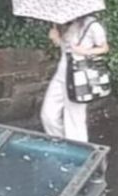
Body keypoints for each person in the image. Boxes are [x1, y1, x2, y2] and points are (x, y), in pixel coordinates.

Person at [40, 15, 109, 143]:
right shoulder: (70, 24)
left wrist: (86, 51)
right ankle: (60, 143)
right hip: (61, 76)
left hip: (79, 78)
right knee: (48, 115)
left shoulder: (92, 25)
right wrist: (57, 39)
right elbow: (67, 49)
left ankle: (79, 151)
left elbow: (104, 48)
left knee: (74, 120)